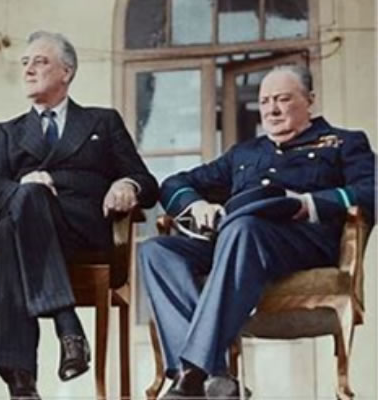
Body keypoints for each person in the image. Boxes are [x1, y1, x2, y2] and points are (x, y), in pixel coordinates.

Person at [138, 65, 376, 399]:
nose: (272, 110)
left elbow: (371, 190)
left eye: (282, 99)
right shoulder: (246, 153)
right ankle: (216, 378)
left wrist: (309, 203)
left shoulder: (343, 142)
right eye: (265, 102)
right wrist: (197, 206)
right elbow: (175, 184)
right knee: (156, 251)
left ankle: (192, 374)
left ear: (310, 100)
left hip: (302, 244)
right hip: (238, 242)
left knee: (243, 226)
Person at [0, 30, 158, 398]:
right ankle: (68, 325)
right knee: (24, 205)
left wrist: (127, 185)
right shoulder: (8, 131)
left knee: (14, 231)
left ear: (67, 72)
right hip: (23, 218)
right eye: (25, 62)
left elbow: (147, 182)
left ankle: (20, 379)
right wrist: (29, 187)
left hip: (78, 231)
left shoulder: (101, 122)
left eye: (40, 61)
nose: (28, 69)